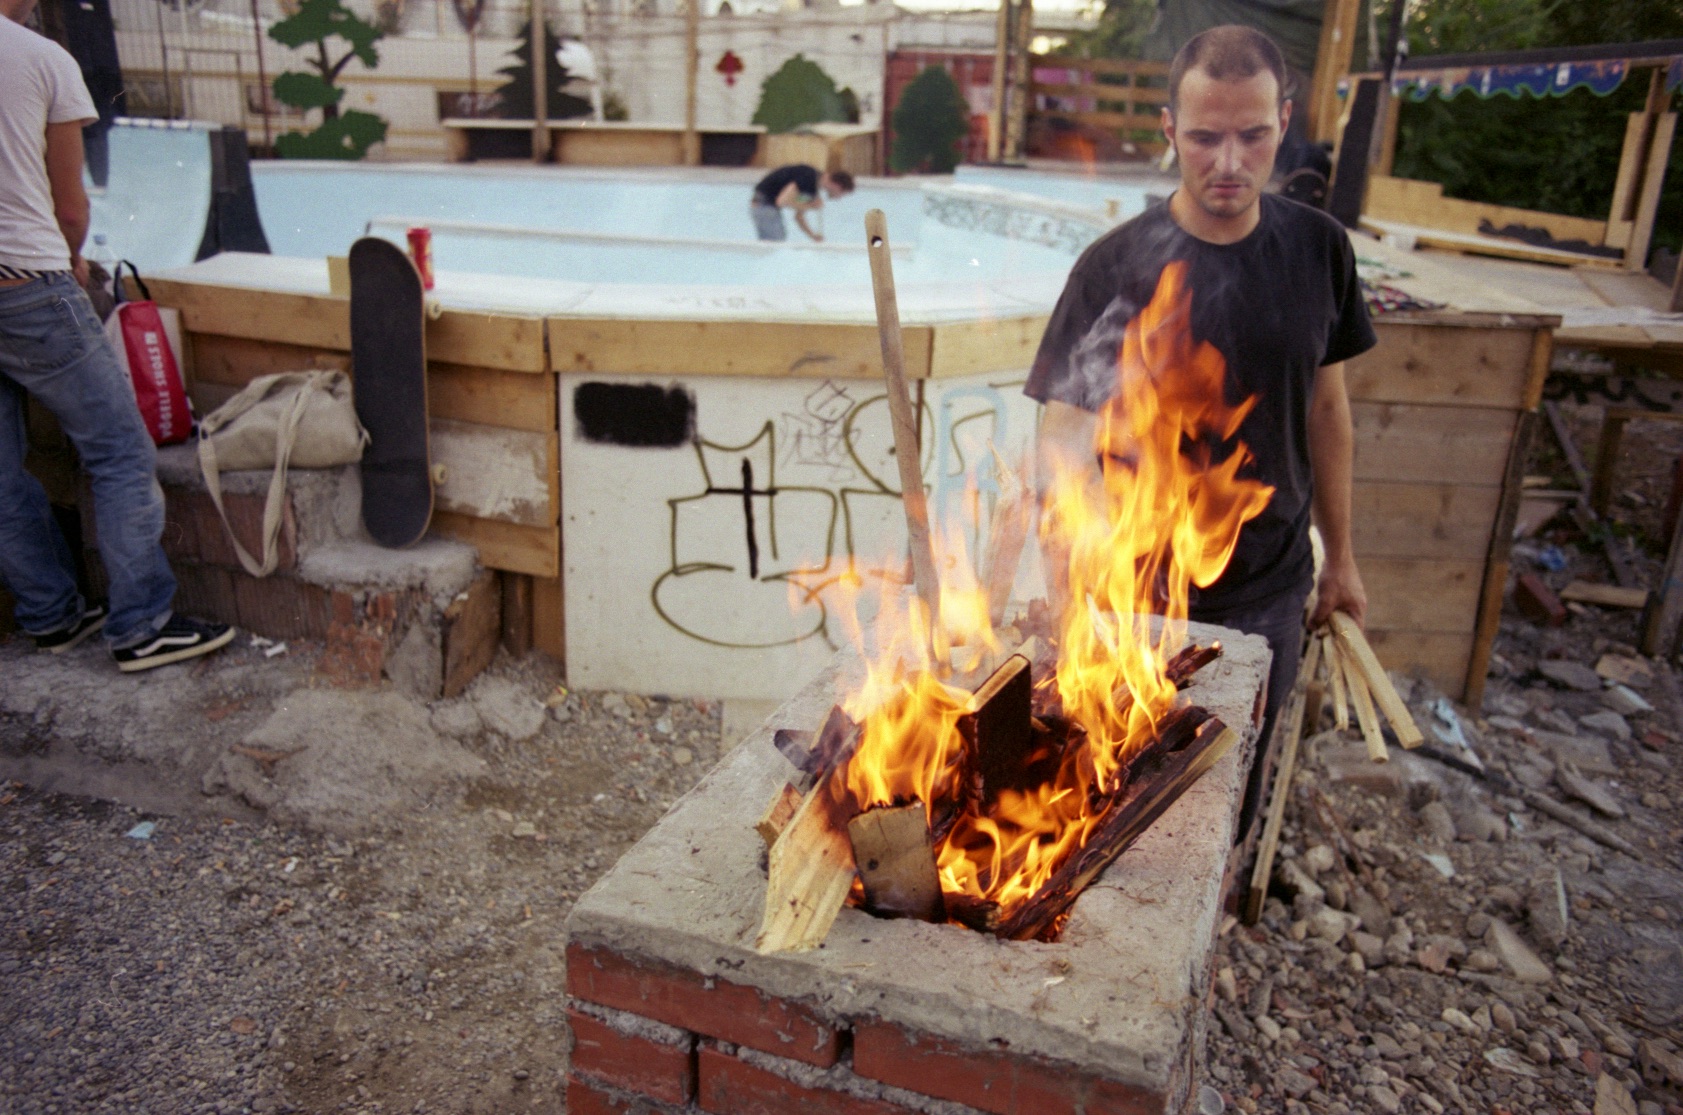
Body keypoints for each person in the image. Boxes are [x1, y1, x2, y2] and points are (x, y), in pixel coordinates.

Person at [1024, 24, 1376, 840]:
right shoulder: (1114, 265)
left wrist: (1343, 557)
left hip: (1268, 589)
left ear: (1282, 122)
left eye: (1251, 136)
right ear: (1167, 130)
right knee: (1120, 793)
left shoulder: (1320, 251)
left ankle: (1205, 943)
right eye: (1205, 137)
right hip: (1136, 597)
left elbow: (1327, 411)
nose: (1228, 162)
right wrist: (1071, 580)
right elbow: (1062, 440)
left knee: (1228, 794)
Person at [1, 0, 234, 671]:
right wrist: (68, 255)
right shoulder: (44, 60)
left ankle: (49, 614)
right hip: (26, 286)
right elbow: (71, 209)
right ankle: (141, 625)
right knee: (121, 450)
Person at [749, 165, 854, 242]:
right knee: (776, 242)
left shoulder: (813, 189)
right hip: (763, 203)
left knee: (775, 241)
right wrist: (810, 206)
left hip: (765, 206)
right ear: (837, 186)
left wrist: (813, 236)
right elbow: (782, 201)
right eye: (841, 193)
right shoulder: (809, 177)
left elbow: (799, 216)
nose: (839, 197)